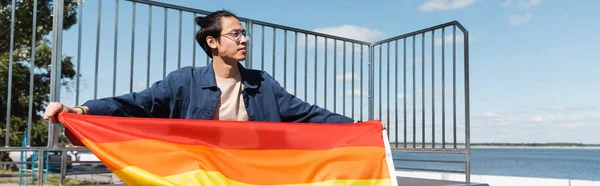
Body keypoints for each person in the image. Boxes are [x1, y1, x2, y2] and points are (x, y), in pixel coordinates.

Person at [44, 10, 354, 124]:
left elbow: (309, 114)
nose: (244, 40)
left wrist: (357, 128)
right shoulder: (185, 82)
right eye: (236, 34)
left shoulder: (262, 83)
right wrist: (81, 111)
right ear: (213, 43)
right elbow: (135, 103)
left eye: (244, 33)